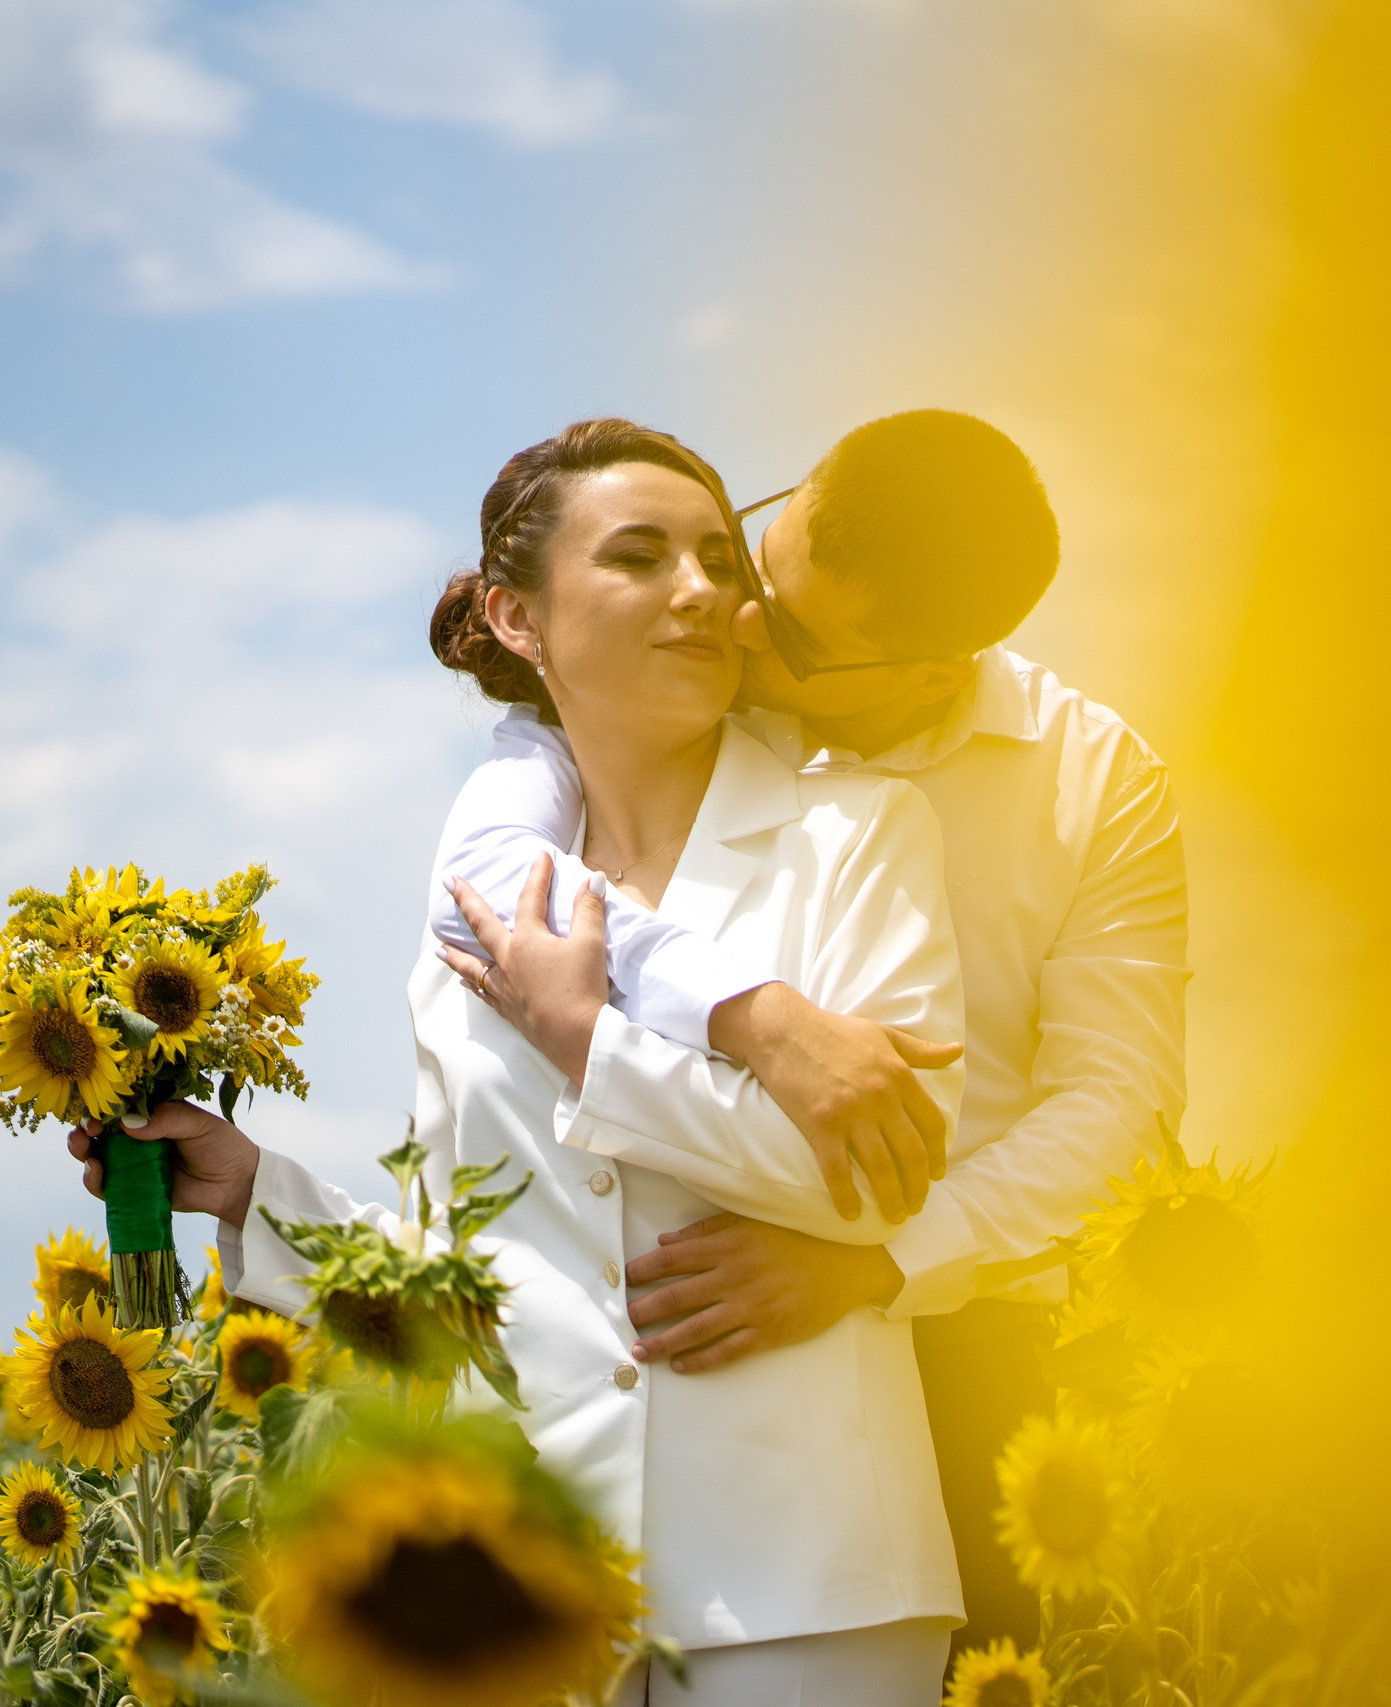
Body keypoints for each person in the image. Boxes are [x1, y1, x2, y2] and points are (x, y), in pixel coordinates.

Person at [69, 418, 969, 1704]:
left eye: (720, 556)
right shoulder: (468, 915)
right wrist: (257, 1192)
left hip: (810, 1577)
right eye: (642, 556)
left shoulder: (864, 833)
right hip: (525, 1586)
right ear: (516, 615)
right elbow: (466, 1259)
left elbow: (879, 1174)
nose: (703, 589)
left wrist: (587, 1045)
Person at [434, 408, 1191, 1657]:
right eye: (748, 553)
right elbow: (504, 865)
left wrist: (881, 1266)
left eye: (776, 625)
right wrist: (761, 1019)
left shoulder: (1091, 784)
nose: (724, 616)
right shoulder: (682, 704)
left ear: (930, 671)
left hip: (964, 1334)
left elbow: (1115, 1110)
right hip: (665, 1325)